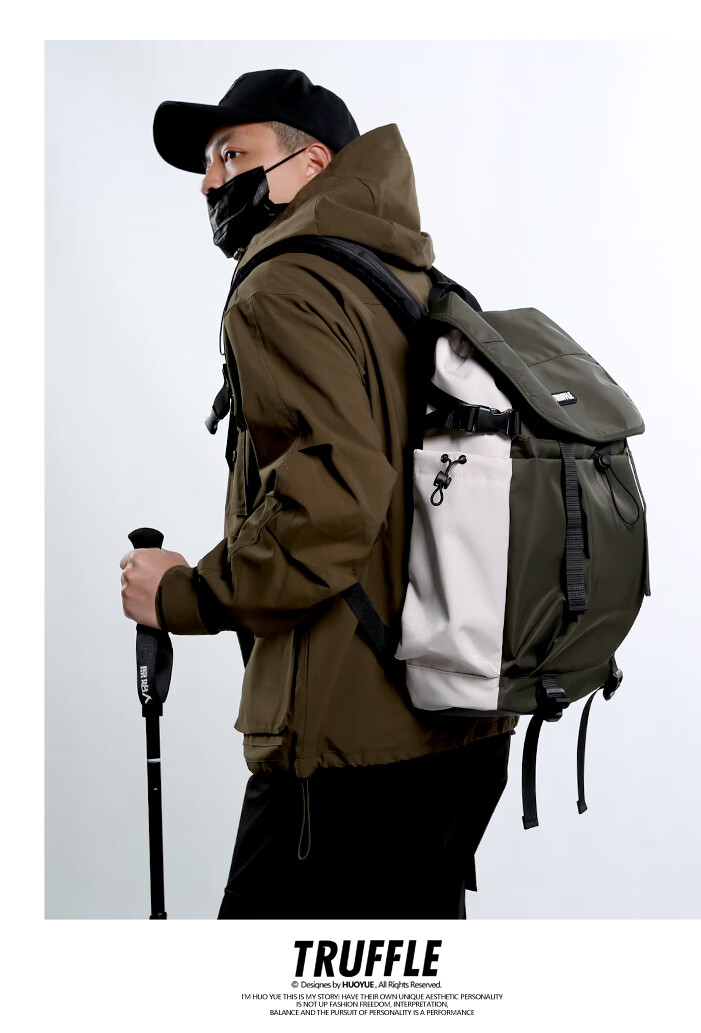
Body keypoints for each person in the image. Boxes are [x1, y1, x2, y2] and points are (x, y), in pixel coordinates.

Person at [120, 68, 519, 919]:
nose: (209, 181)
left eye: (233, 154)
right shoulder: (412, 284)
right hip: (461, 724)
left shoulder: (281, 287)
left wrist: (183, 594)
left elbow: (328, 510)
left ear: (311, 164)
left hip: (343, 752)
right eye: (208, 162)